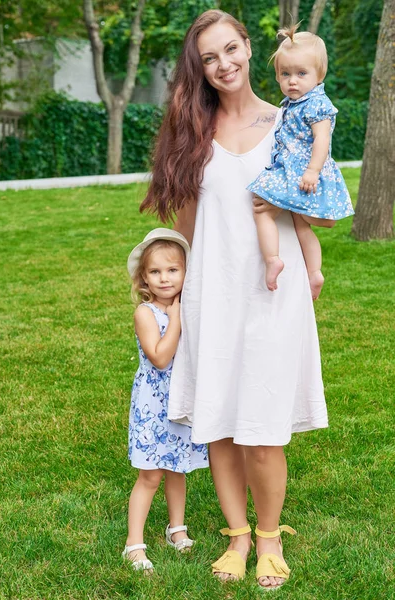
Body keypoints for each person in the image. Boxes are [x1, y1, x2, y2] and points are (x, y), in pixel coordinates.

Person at [140, 10, 329, 590]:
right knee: (220, 422)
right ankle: (237, 535)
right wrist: (176, 301)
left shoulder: (291, 120)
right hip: (211, 293)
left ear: (249, 47)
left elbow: (308, 207)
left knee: (263, 427)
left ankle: (269, 537)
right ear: (199, 69)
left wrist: (311, 265)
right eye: (209, 58)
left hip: (274, 289)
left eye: (231, 50)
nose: (223, 65)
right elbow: (191, 225)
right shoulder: (194, 131)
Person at [122, 228, 208, 573]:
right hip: (153, 406)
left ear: (186, 272)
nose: (164, 278)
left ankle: (177, 529)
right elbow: (159, 356)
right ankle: (134, 544)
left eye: (173, 270)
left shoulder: (190, 308)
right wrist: (175, 320)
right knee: (151, 475)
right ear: (144, 278)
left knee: (178, 467)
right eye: (155, 272)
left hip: (183, 401)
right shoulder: (147, 314)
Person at [247, 24, 354, 299]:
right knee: (299, 224)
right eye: (286, 74)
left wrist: (312, 171)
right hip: (295, 170)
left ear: (319, 76)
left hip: (303, 173)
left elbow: (322, 140)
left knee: (261, 208)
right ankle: (315, 272)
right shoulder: (292, 104)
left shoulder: (317, 104)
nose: (292, 81)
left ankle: (273, 259)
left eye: (301, 73)